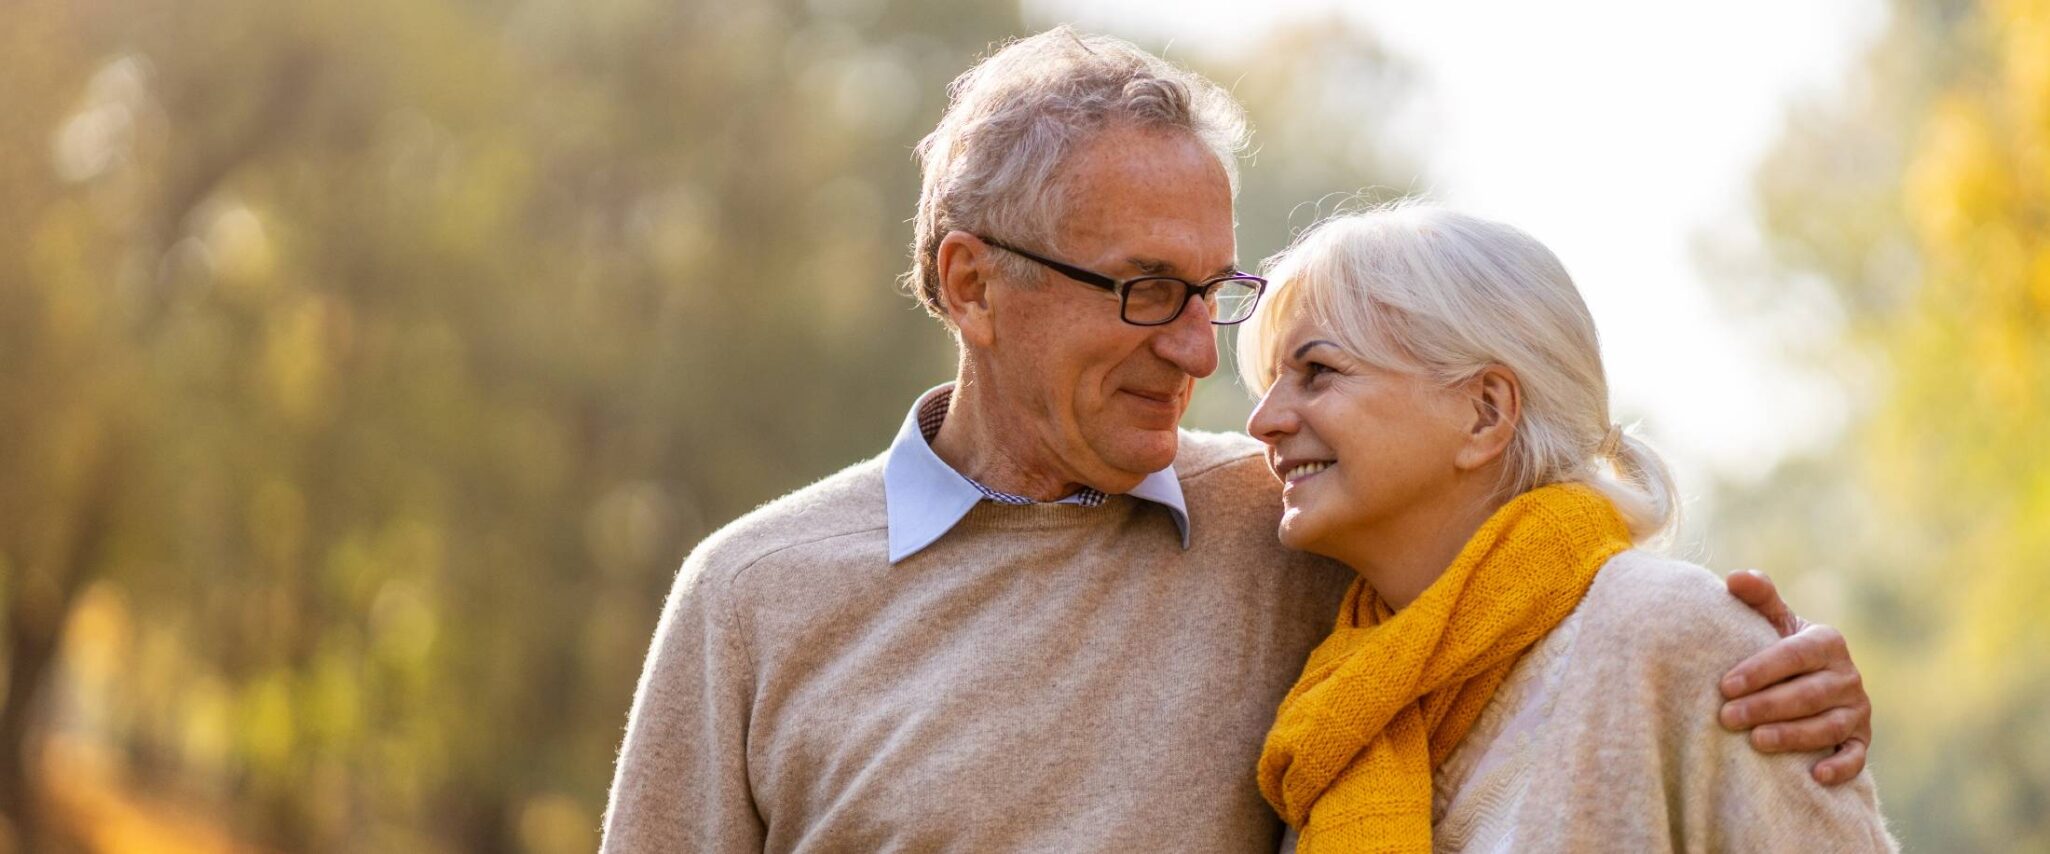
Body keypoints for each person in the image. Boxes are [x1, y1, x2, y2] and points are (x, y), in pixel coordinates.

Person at [601, 28, 1874, 853]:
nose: (1205, 358)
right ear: (973, 285)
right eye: (1145, 287)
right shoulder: (751, 597)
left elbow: (1527, 574)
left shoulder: (1290, 526)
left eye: (1215, 292)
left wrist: (1776, 676)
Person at [1240, 205, 1894, 852]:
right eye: (1269, 385)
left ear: (1484, 413)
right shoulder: (1335, 706)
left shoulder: (1674, 634)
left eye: (1317, 372)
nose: (1262, 421)